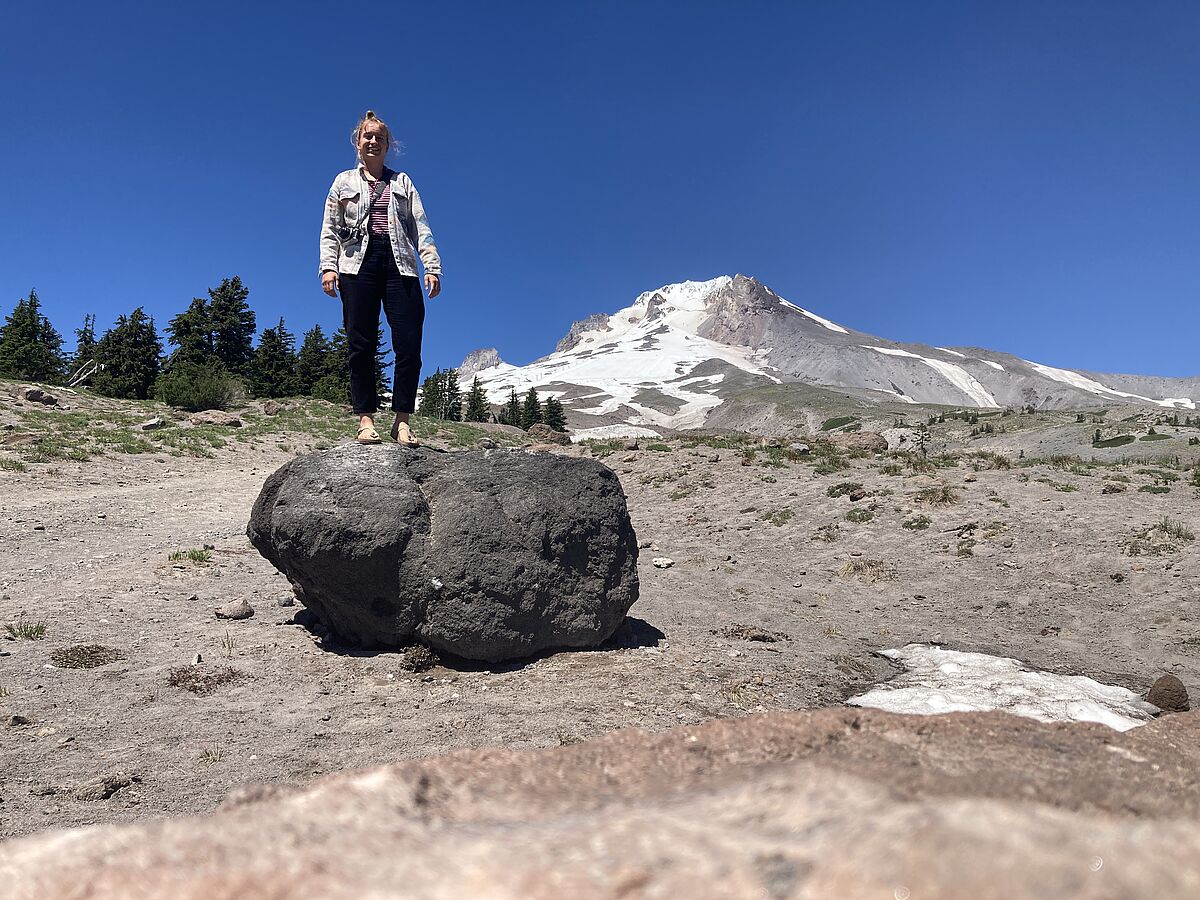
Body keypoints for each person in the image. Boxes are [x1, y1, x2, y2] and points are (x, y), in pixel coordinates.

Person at [319, 110, 442, 446]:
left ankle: (402, 421)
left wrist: (431, 266)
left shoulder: (402, 182)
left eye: (379, 137)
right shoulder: (343, 182)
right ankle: (365, 420)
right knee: (361, 344)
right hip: (356, 266)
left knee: (409, 343)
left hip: (400, 265)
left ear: (389, 145)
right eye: (367, 136)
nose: (373, 141)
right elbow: (329, 229)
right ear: (358, 142)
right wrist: (328, 267)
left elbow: (421, 226)